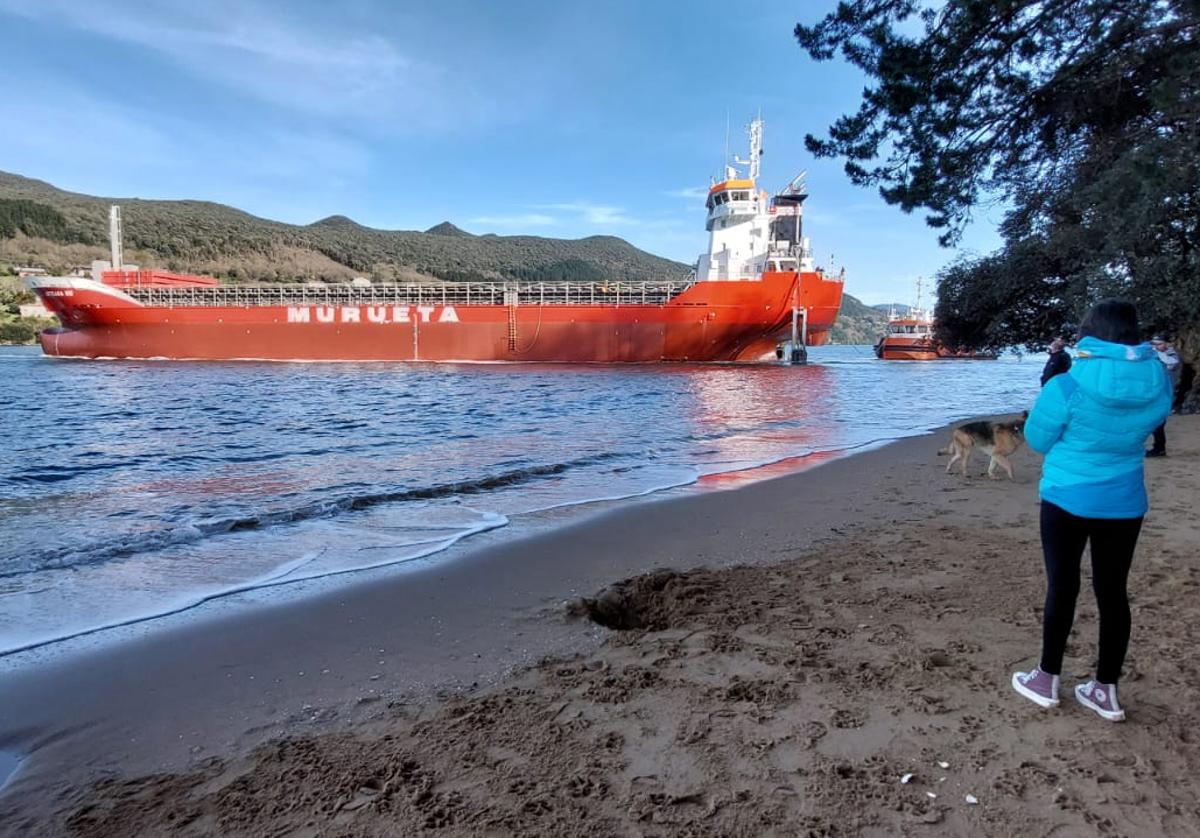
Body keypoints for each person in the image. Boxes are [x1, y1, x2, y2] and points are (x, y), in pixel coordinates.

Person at [1012, 300, 1172, 721]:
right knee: (1113, 593)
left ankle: (1046, 679)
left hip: (1067, 497)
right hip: (1124, 500)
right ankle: (1105, 690)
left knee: (1062, 587)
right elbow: (1153, 420)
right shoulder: (1157, 379)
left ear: (1089, 332)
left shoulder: (1065, 385)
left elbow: (1038, 440)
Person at [1146, 336, 1181, 457]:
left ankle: (1160, 449)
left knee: (1159, 422)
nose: (1156, 346)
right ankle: (1158, 447)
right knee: (1154, 422)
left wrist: (1156, 353)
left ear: (1166, 344)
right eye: (1153, 344)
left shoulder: (1170, 355)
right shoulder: (1152, 355)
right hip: (1154, 393)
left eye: (1159, 344)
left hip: (1166, 394)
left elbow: (1172, 363)